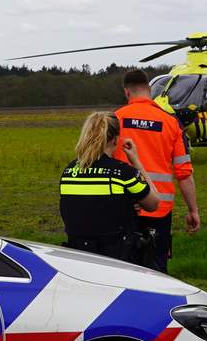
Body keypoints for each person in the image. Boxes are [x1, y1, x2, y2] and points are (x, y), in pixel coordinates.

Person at [113, 69, 200, 272]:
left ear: (127, 92)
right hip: (159, 209)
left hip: (123, 207)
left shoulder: (114, 120)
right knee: (156, 268)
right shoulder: (171, 123)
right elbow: (184, 173)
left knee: (122, 268)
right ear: (150, 91)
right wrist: (193, 210)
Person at [59, 112, 160, 263]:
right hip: (118, 260)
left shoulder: (68, 172)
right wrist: (137, 163)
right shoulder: (122, 172)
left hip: (79, 259)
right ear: (115, 140)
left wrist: (125, 203)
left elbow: (86, 207)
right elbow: (154, 203)